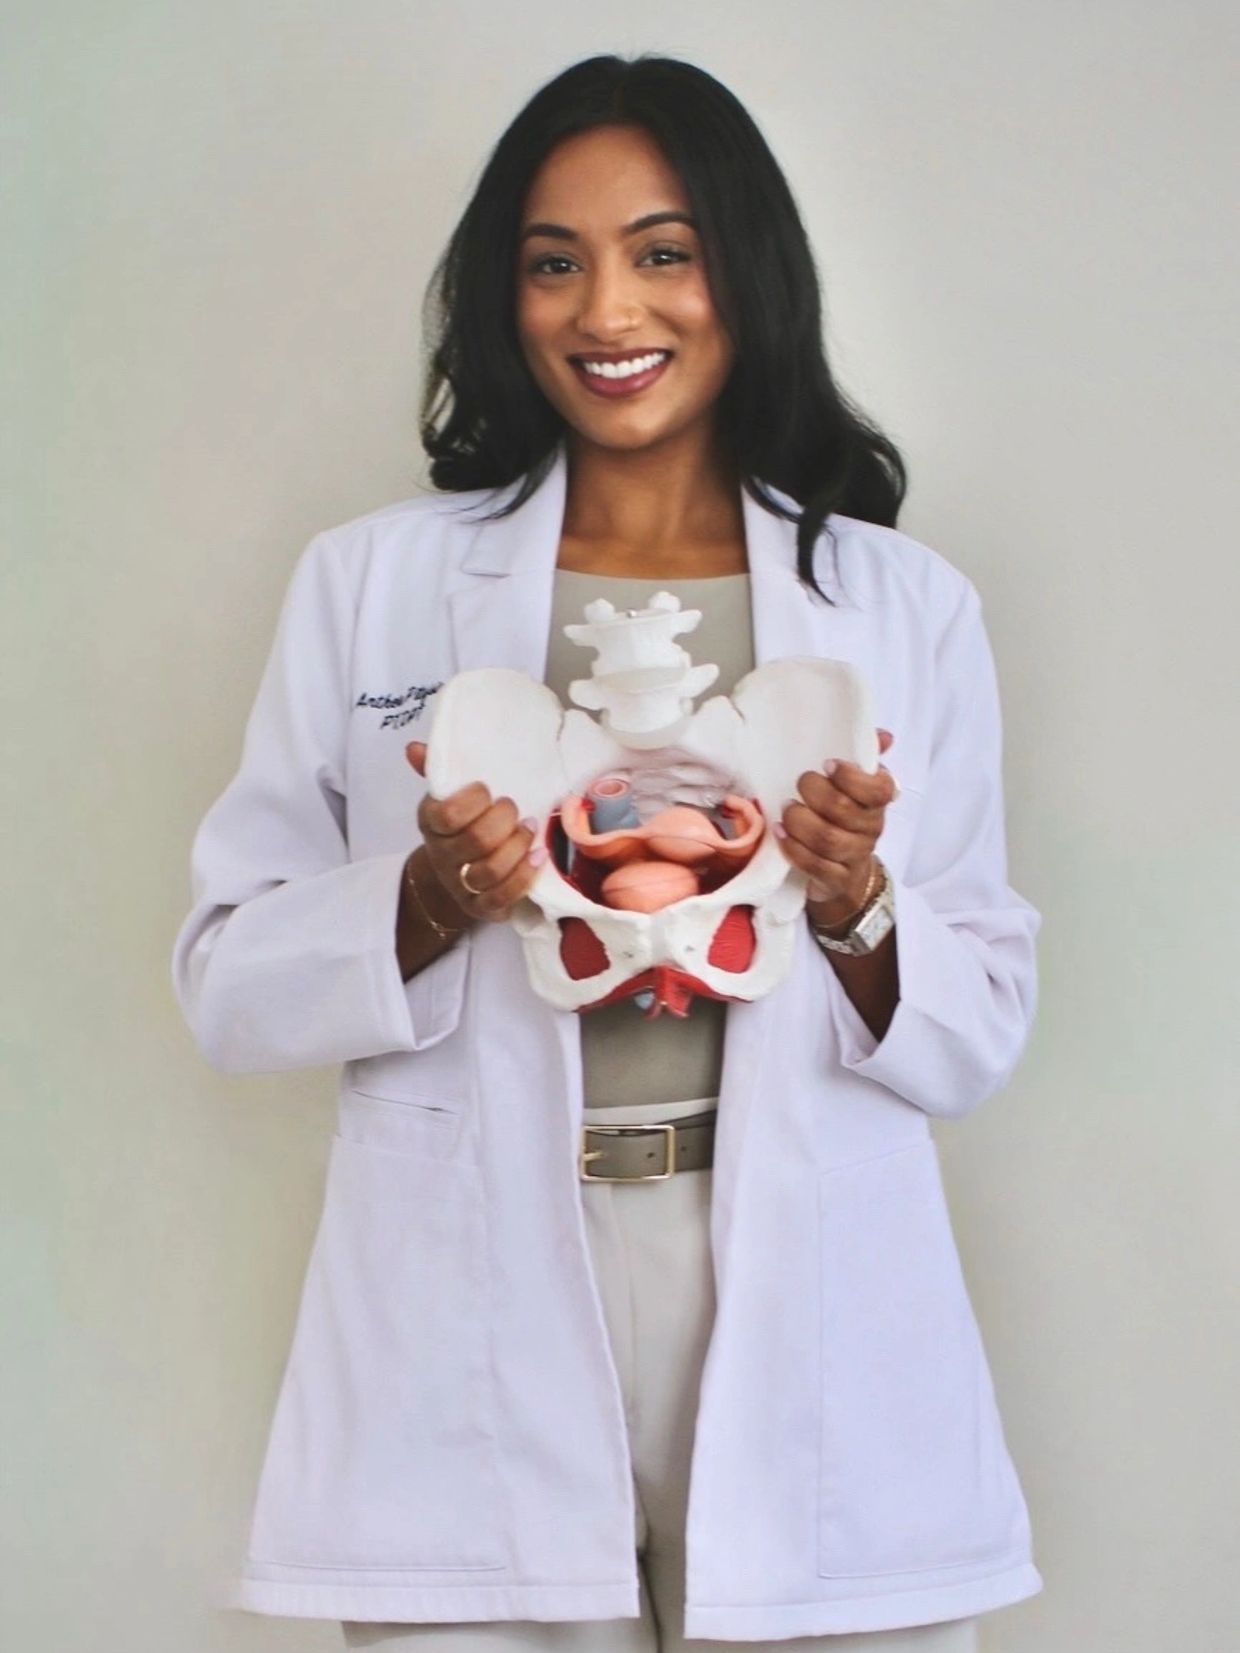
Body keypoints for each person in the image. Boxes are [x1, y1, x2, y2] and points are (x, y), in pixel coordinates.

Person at [171, 53, 1043, 1653]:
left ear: (744, 270)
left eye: (663, 250)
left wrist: (854, 904)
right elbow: (228, 982)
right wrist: (428, 901)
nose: (605, 309)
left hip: (803, 1292)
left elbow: (981, 1018)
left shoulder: (900, 608)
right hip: (480, 1298)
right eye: (552, 261)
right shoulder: (375, 587)